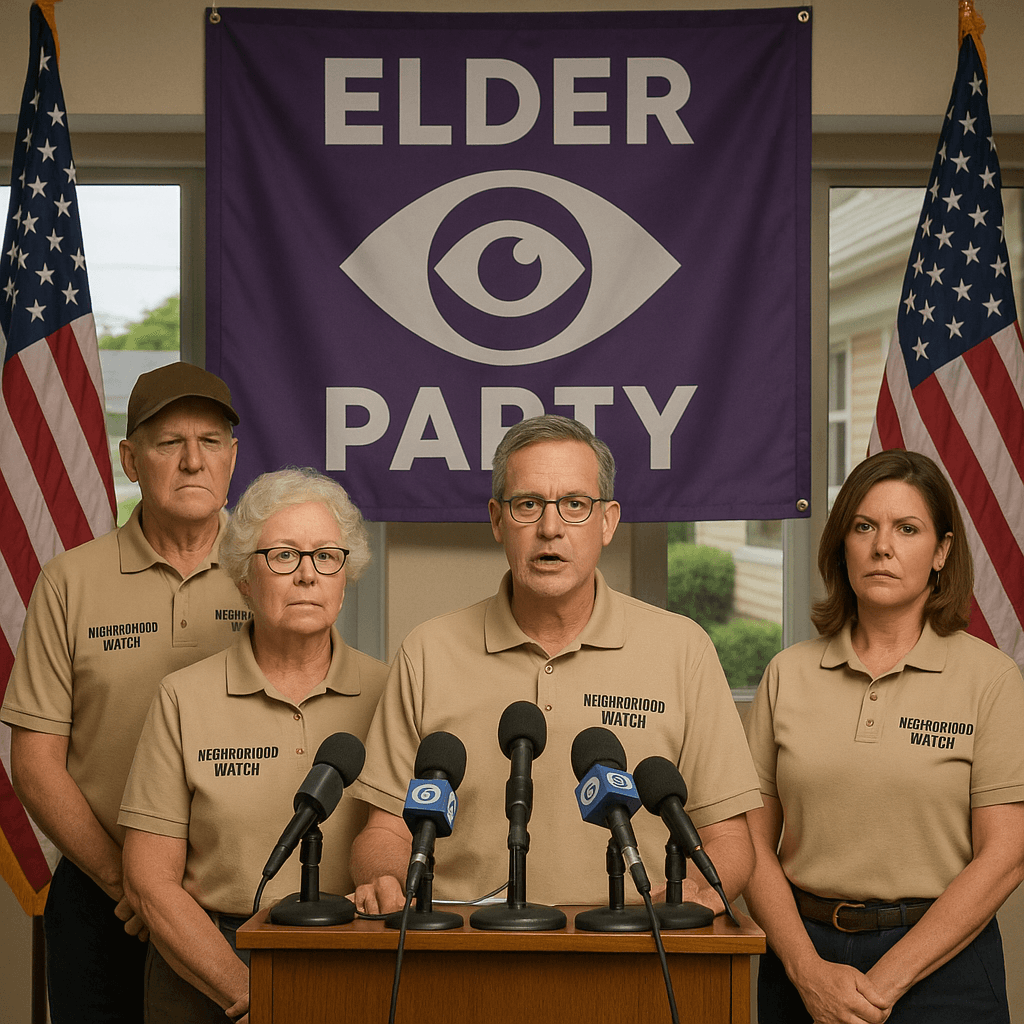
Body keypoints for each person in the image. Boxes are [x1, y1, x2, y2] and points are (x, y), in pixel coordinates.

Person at [349, 414, 760, 913]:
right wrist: (388, 880)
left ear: (608, 521)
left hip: (635, 947)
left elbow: (730, 840)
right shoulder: (428, 652)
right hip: (462, 952)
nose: (550, 528)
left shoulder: (683, 649)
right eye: (528, 505)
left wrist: (689, 898)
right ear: (498, 521)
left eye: (574, 505)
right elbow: (383, 831)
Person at [1, 361, 248, 1024]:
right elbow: (35, 762)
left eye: (211, 441)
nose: (193, 461)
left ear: (233, 458)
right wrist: (130, 883)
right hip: (104, 897)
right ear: (131, 460)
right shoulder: (70, 582)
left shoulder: (273, 571)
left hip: (237, 895)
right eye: (169, 443)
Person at [743, 449, 1024, 1024]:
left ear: (942, 551)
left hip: (946, 968)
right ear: (841, 545)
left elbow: (1006, 855)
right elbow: (750, 846)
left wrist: (884, 984)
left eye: (908, 529)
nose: (882, 546)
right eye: (863, 526)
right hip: (802, 958)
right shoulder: (787, 674)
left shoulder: (991, 678)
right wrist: (806, 970)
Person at [118, 467, 387, 1024]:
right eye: (283, 556)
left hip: (356, 960)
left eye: (325, 556)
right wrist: (248, 993)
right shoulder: (183, 698)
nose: (307, 575)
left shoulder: (392, 693)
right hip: (206, 968)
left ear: (345, 575)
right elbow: (150, 881)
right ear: (243, 577)